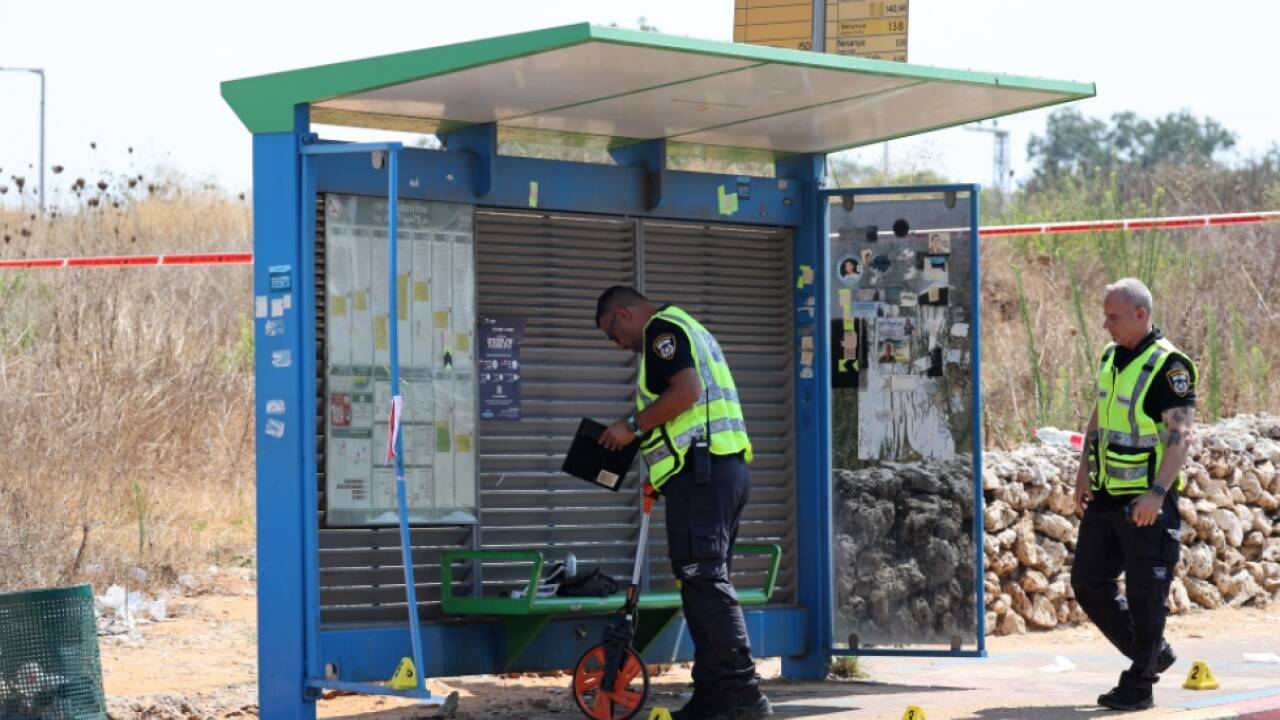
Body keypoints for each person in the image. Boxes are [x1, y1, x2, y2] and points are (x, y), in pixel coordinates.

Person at [594, 286, 771, 720]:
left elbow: (687, 393)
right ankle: (714, 697)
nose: (616, 345)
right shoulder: (691, 328)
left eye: (611, 334)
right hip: (715, 472)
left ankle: (743, 695)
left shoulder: (662, 331)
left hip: (704, 476)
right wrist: (661, 475)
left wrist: (630, 426)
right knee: (700, 585)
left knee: (704, 582)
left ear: (623, 315)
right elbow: (692, 414)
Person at [1070, 277, 1197, 711]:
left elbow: (1180, 435)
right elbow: (1099, 413)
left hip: (1146, 501)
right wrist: (1084, 469)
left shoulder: (1170, 366)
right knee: (1087, 581)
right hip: (1106, 494)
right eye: (1105, 315)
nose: (1106, 324)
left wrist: (1158, 494)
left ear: (1141, 315)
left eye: (1114, 316)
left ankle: (1139, 683)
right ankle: (1153, 653)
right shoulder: (1111, 356)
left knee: (1147, 594)